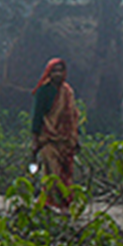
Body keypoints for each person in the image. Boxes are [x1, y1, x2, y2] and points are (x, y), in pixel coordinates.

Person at [30, 58, 80, 213]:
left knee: (66, 173)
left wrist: (76, 138)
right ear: (49, 73)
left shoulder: (68, 92)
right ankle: (52, 202)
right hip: (49, 138)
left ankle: (63, 205)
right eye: (54, 71)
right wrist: (35, 139)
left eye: (60, 70)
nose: (57, 74)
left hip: (66, 141)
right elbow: (37, 115)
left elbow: (72, 116)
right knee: (52, 173)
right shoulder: (44, 91)